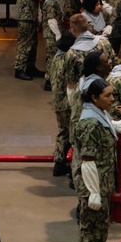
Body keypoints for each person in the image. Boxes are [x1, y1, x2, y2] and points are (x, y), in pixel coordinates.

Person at [75, 77, 121, 242]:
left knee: (99, 230)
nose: (112, 99)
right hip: (94, 184)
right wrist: (93, 192)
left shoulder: (98, 114)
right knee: (91, 232)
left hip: (102, 182)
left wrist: (116, 126)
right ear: (94, 98)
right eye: (108, 96)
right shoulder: (90, 123)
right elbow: (87, 160)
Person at [13, 0, 48, 81]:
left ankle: (30, 67)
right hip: (26, 15)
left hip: (27, 13)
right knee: (25, 43)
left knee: (32, 42)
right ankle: (19, 69)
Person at [49, 32, 76, 178]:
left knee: (63, 132)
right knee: (73, 134)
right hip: (68, 102)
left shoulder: (55, 59)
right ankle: (74, 170)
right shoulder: (68, 60)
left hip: (58, 102)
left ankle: (59, 164)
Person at [41, 0, 65, 90]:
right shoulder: (51, 2)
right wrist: (57, 34)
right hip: (51, 34)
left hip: (53, 33)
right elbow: (51, 20)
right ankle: (49, 82)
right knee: (51, 57)